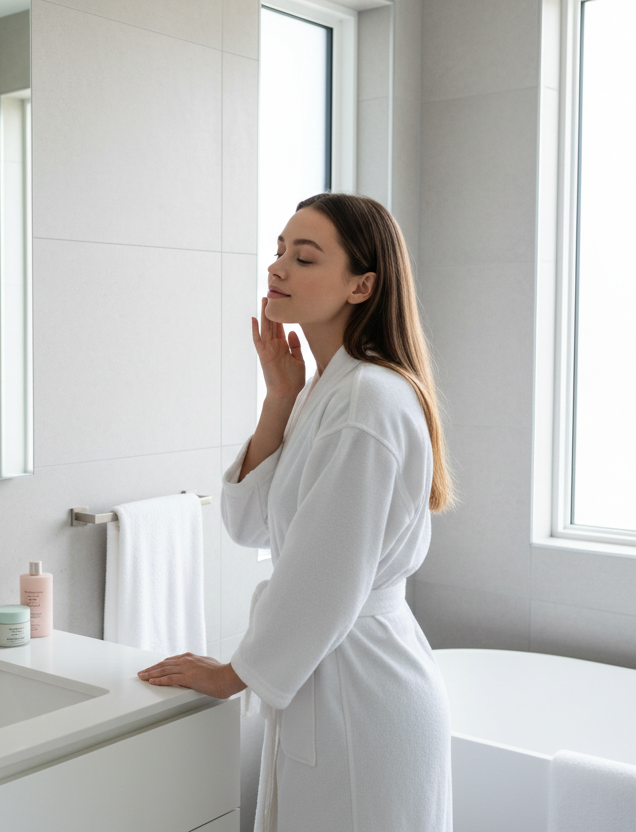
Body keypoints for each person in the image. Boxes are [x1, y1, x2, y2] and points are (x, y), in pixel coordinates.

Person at [137, 193, 453, 831]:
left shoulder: (367, 400)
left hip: (361, 693)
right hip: (334, 676)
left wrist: (233, 674)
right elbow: (250, 526)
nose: (277, 267)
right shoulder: (324, 391)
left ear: (362, 286)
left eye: (304, 258)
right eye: (279, 250)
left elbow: (326, 575)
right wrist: (279, 397)